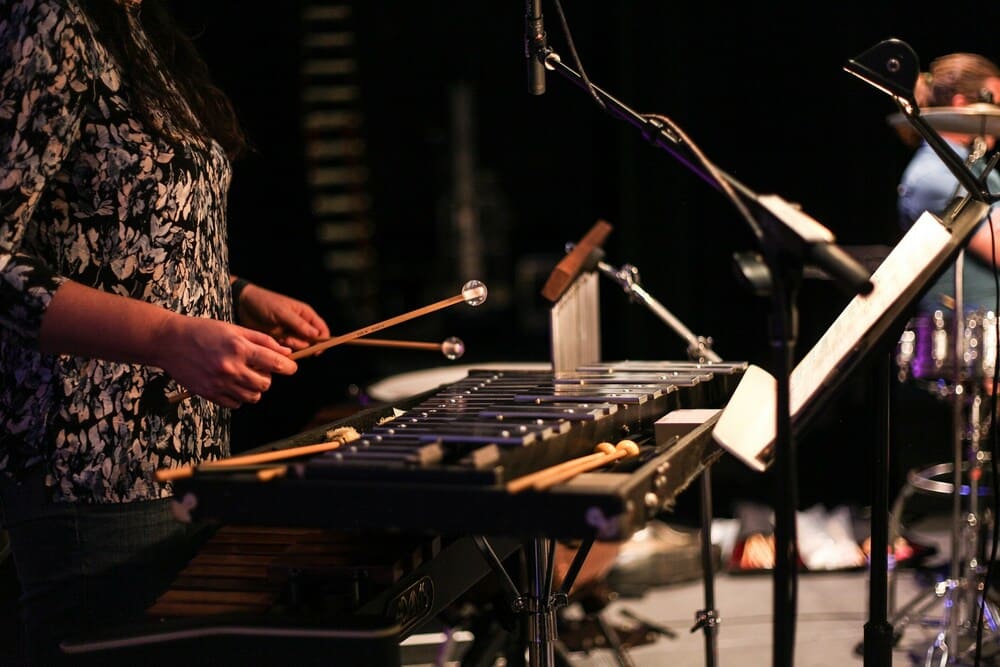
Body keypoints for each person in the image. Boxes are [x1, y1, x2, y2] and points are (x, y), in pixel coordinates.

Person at [0, 0, 332, 662]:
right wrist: (167, 336)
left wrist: (230, 292)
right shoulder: (52, 19)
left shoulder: (137, 28)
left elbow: (120, 230)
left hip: (185, 458)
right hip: (94, 469)